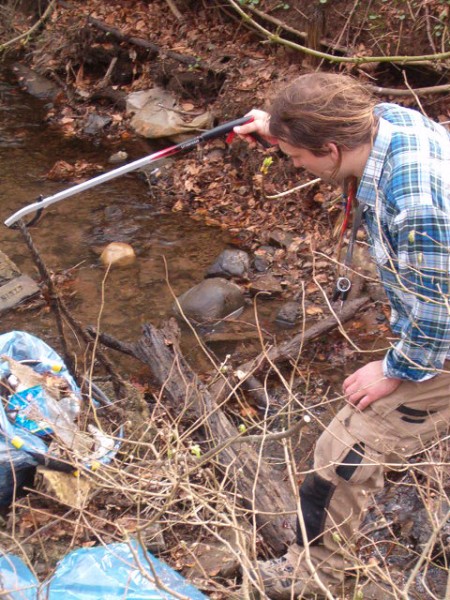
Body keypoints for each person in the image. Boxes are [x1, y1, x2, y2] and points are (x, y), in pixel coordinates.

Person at [234, 72, 450, 598]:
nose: (295, 167)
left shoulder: (417, 198)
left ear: (330, 149)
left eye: (297, 158)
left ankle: (316, 579)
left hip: (439, 333)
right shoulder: (389, 123)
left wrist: (396, 369)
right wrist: (278, 127)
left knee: (341, 457)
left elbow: (440, 314)